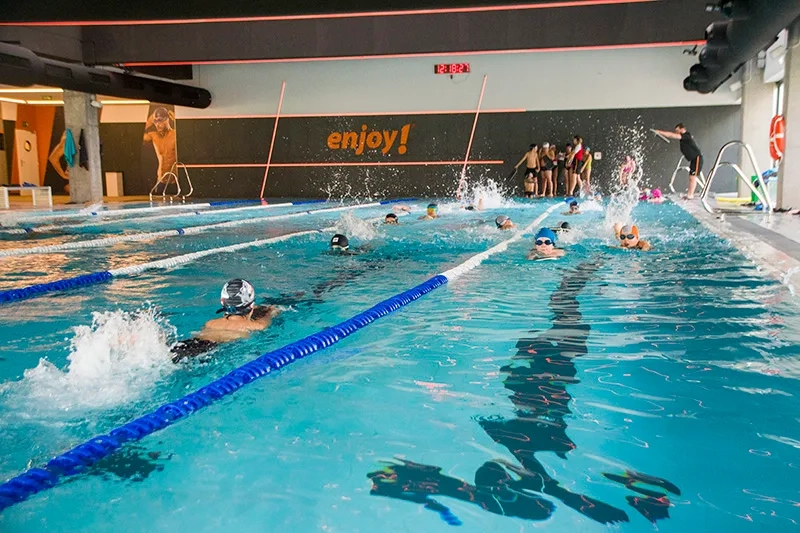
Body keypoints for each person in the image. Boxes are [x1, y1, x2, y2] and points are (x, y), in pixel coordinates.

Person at [170, 279, 279, 363]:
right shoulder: (256, 326)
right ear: (251, 305)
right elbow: (266, 318)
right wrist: (269, 311)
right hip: (203, 351)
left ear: (223, 302)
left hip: (185, 344)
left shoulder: (211, 323)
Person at [653, 123, 703, 199]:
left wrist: (659, 132)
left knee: (693, 177)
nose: (676, 132)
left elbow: (671, 135)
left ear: (682, 129)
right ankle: (690, 194)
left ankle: (690, 195)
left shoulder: (686, 135)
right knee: (691, 177)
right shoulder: (684, 138)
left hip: (697, 158)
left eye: (677, 130)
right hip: (693, 159)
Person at [143, 107, 178, 187]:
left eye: (160, 120)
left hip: (175, 181)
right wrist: (149, 121)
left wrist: (177, 119)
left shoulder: (175, 135)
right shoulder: (153, 136)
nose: (157, 124)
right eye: (155, 121)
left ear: (167, 119)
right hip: (160, 180)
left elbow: (188, 134)